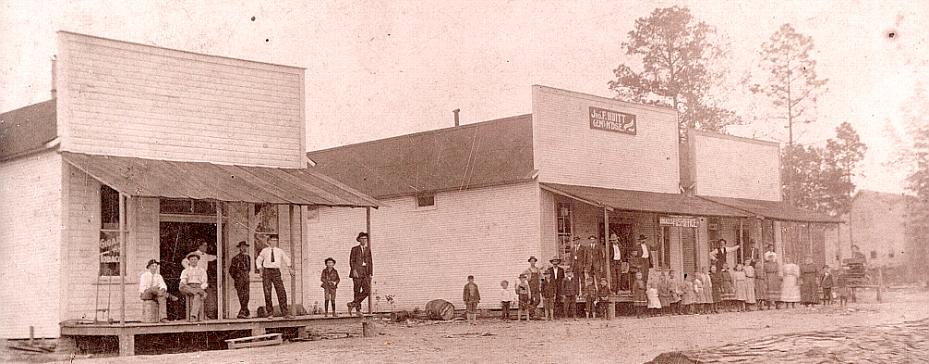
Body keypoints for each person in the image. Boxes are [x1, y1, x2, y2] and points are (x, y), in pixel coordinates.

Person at [256, 235, 294, 319]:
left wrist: (290, 268)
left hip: (276, 271)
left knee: (281, 291)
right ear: (269, 241)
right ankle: (270, 313)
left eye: (275, 241)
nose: (274, 242)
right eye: (272, 240)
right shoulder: (264, 250)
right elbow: (259, 260)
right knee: (267, 292)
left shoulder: (279, 251)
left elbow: (286, 259)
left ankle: (285, 313)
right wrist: (260, 270)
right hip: (267, 272)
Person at [348, 232, 373, 316]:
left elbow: (370, 262)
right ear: (359, 240)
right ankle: (358, 310)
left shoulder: (368, 249)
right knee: (357, 291)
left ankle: (352, 303)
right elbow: (351, 261)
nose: (364, 240)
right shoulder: (354, 249)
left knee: (367, 290)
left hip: (365, 272)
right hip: (357, 272)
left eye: (365, 239)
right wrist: (354, 270)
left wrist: (370, 273)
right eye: (362, 239)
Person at [179, 253, 208, 321]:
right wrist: (184, 283)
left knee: (197, 295)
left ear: (198, 260)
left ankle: (193, 315)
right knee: (182, 286)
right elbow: (183, 281)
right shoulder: (185, 271)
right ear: (189, 261)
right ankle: (200, 292)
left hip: (198, 286)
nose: (193, 261)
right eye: (191, 259)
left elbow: (204, 282)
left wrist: (201, 288)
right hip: (189, 287)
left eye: (195, 259)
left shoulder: (202, 270)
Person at [229, 241, 252, 319]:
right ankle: (244, 311)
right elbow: (231, 270)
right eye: (242, 247)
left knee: (246, 295)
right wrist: (237, 277)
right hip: (239, 279)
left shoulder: (248, 257)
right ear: (239, 248)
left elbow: (249, 269)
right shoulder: (235, 258)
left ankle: (243, 311)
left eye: (245, 247)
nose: (244, 248)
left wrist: (246, 276)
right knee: (241, 295)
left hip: (246, 278)